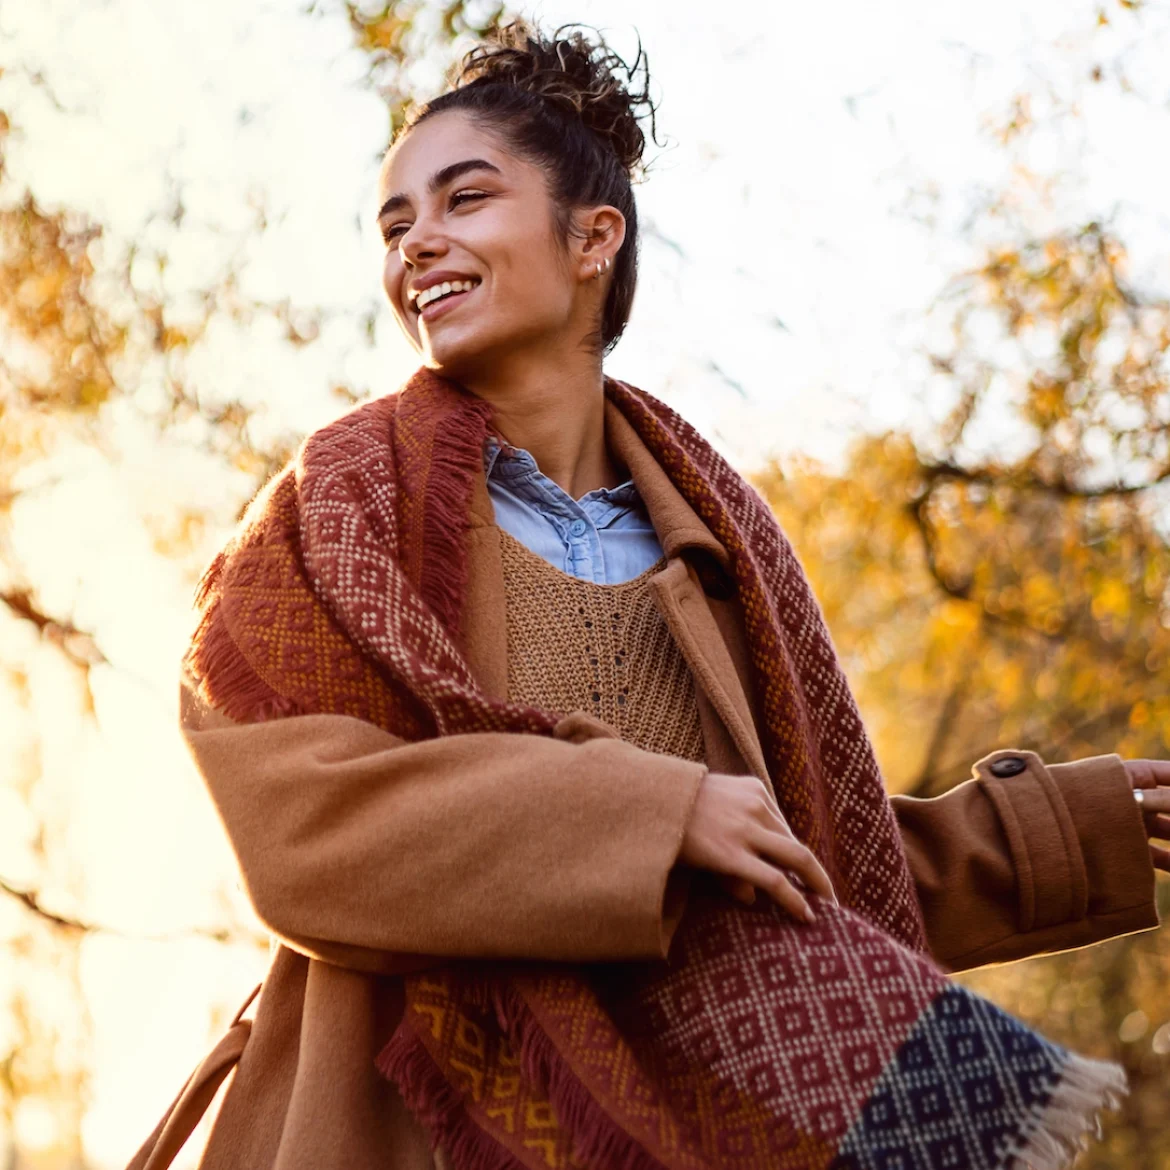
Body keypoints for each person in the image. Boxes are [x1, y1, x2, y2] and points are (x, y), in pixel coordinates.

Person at [126, 21, 1167, 1170]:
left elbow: (813, 874)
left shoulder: (726, 546)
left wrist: (1059, 830)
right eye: (395, 222)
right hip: (406, 1128)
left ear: (592, 239)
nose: (417, 243)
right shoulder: (331, 508)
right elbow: (302, 829)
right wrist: (654, 821)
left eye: (463, 200)